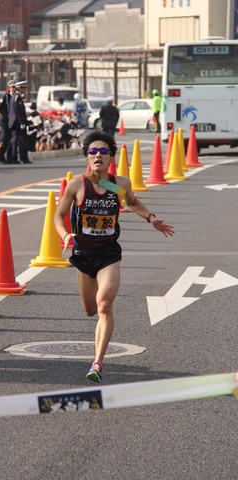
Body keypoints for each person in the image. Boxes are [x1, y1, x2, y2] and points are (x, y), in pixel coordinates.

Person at [54, 130, 174, 383]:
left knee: (104, 304)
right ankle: (97, 349)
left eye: (104, 152)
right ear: (87, 159)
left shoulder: (118, 184)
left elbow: (132, 202)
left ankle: (97, 363)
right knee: (89, 310)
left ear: (111, 159)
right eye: (93, 152)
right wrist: (65, 235)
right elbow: (57, 216)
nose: (98, 155)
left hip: (108, 253)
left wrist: (151, 218)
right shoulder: (77, 185)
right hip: (83, 254)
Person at [8, 80, 31, 164]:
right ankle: (23, 158)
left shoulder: (15, 96)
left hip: (15, 122)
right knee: (21, 141)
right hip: (17, 123)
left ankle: (14, 158)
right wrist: (22, 122)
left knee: (15, 140)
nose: (25, 90)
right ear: (19, 88)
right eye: (23, 88)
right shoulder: (18, 97)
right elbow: (19, 111)